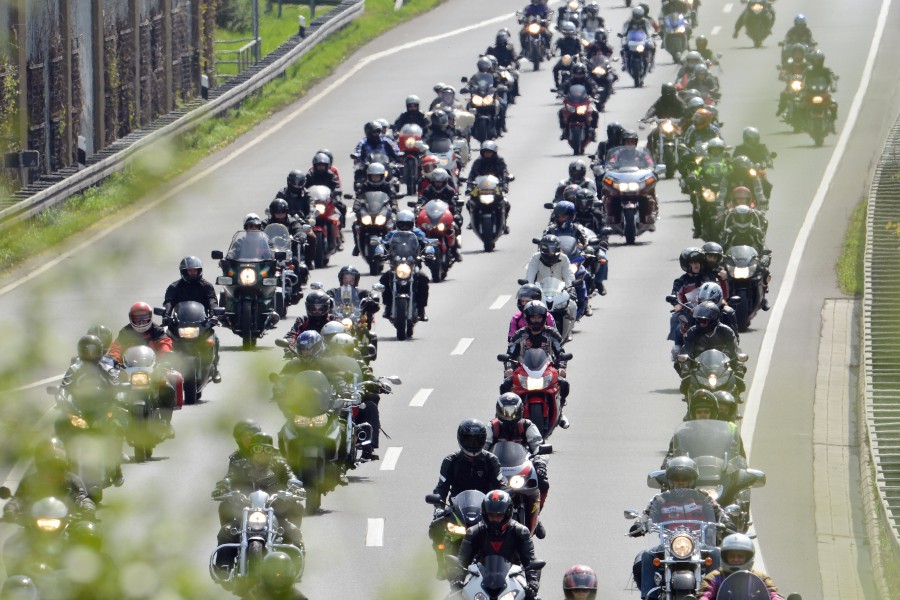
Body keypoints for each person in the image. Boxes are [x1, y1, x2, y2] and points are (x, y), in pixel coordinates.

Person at [629, 457, 732, 599]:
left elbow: (719, 512)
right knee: (647, 555)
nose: (680, 482)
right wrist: (640, 524)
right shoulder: (659, 500)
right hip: (667, 545)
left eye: (685, 478)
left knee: (716, 553)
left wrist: (726, 522)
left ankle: (717, 594)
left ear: (692, 481)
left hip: (698, 543)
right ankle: (649, 595)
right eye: (676, 479)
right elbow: (647, 515)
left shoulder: (704, 498)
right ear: (670, 481)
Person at [212, 432, 306, 572]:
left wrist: (294, 486)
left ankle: (295, 567)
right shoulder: (239, 466)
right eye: (258, 449)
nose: (262, 453)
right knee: (226, 532)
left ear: (271, 451)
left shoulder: (279, 465)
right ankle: (224, 567)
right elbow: (230, 477)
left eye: (266, 449)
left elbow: (290, 476)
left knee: (293, 532)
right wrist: (224, 485)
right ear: (251, 451)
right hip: (245, 511)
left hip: (274, 512)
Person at [428, 419, 505, 575]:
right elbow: (441, 488)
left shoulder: (491, 460)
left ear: (483, 440)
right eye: (468, 438)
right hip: (457, 510)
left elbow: (501, 484)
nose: (472, 442)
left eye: (476, 439)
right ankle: (441, 561)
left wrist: (505, 497)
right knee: (435, 528)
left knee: (509, 529)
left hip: (486, 510)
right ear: (460, 439)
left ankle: (511, 564)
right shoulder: (451, 461)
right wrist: (438, 506)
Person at [484, 393, 550, 538]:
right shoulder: (491, 427)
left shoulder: (527, 426)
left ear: (520, 411)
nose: (509, 416)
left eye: (513, 411)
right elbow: (483, 447)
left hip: (521, 468)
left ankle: (536, 514)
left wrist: (540, 463)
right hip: (497, 469)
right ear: (499, 411)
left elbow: (539, 446)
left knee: (543, 482)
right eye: (506, 411)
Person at [455, 490, 541, 600]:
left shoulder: (521, 532)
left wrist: (533, 582)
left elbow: (530, 561)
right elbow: (462, 560)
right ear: (485, 514)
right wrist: (457, 579)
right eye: (491, 515)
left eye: (498, 516)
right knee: (451, 596)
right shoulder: (474, 532)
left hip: (514, 580)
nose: (495, 520)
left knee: (535, 598)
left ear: (508, 513)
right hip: (479, 579)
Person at [107, 301, 179, 431]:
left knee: (168, 390)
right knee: (113, 389)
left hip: (153, 368)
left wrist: (166, 356)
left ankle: (166, 424)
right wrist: (113, 359)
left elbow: (164, 343)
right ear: (131, 318)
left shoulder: (156, 330)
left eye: (144, 318)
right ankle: (116, 421)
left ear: (150, 317)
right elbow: (117, 347)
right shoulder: (126, 332)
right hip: (129, 370)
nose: (141, 322)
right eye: (137, 319)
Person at [503, 301, 571, 427]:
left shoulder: (552, 334)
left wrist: (562, 367)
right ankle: (504, 416)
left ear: (544, 318)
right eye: (533, 318)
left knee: (564, 384)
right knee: (505, 385)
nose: (536, 320)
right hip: (523, 370)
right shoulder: (519, 335)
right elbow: (509, 354)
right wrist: (508, 369)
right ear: (527, 319)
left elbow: (561, 352)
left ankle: (560, 411)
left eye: (539, 317)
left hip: (547, 370)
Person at [163, 256, 223, 382]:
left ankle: (214, 368)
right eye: (189, 270)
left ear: (199, 271)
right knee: (166, 339)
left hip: (201, 323)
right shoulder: (174, 287)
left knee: (214, 339)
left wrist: (214, 314)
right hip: (180, 323)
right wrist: (166, 314)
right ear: (184, 271)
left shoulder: (206, 286)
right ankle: (165, 369)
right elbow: (168, 302)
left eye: (195, 270)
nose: (192, 273)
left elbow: (212, 301)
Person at [3, 440, 97, 520]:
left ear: (64, 466)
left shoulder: (72, 481)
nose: (53, 471)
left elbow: (82, 498)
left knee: (87, 531)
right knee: (12, 541)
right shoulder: (29, 482)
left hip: (67, 523)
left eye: (58, 466)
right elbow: (19, 499)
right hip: (34, 524)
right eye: (49, 466)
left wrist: (88, 509)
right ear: (40, 466)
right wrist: (10, 509)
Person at [378, 210, 431, 322]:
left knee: (423, 279)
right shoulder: (392, 234)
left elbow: (426, 242)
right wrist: (379, 252)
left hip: (412, 266)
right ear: (397, 223)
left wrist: (429, 252)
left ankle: (421, 309)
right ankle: (388, 307)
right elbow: (383, 242)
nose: (404, 227)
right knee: (385, 278)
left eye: (407, 224)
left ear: (412, 224)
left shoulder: (417, 233)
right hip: (396, 266)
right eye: (402, 224)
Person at [698, 534, 786, 600]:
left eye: (740, 556)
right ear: (725, 557)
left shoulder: (761, 577)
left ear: (748, 557)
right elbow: (705, 594)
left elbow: (773, 593)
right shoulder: (714, 577)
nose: (735, 559)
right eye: (732, 556)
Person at [544, 201, 595, 312]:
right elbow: (542, 243)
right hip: (554, 260)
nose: (561, 219)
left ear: (571, 216)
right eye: (559, 216)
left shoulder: (577, 229)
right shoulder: (550, 229)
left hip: (573, 259)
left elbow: (585, 241)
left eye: (564, 216)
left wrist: (587, 248)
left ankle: (585, 303)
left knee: (585, 276)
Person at [466, 141, 512, 233]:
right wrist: (469, 187)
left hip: (495, 188)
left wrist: (505, 185)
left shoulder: (499, 161)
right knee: (469, 203)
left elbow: (504, 173)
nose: (487, 154)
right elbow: (472, 174)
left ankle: (504, 224)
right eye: (485, 152)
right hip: (480, 188)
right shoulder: (478, 161)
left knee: (506, 204)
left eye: (489, 152)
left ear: (494, 153)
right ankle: (472, 221)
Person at [264, 198, 312, 284]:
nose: (280, 215)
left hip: (287, 252)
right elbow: (259, 230)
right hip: (269, 253)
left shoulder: (292, 222)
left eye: (282, 212)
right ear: (272, 213)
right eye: (278, 213)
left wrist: (300, 236)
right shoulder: (267, 222)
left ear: (286, 212)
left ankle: (297, 289)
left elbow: (299, 230)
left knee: (295, 262)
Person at [733, 127, 774, 198]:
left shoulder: (762, 147)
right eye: (750, 139)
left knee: (765, 181)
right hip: (743, 170)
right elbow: (734, 159)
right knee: (732, 180)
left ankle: (765, 198)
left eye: (754, 139)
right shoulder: (739, 148)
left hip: (758, 169)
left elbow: (767, 156)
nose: (753, 141)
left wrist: (768, 162)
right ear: (745, 138)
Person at [803, 49, 839, 132]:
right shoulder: (808, 70)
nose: (816, 63)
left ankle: (832, 123)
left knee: (833, 104)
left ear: (822, 61)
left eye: (818, 61)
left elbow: (832, 77)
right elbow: (802, 79)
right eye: (814, 61)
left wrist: (833, 85)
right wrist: (801, 86)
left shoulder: (826, 70)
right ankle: (802, 122)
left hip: (823, 92)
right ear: (811, 61)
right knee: (801, 105)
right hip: (810, 93)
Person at [642, 82, 686, 150]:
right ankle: (649, 156)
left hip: (676, 125)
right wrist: (646, 117)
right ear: (663, 92)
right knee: (651, 137)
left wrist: (684, 117)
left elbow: (684, 109)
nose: (669, 95)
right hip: (662, 125)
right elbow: (653, 108)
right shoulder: (660, 100)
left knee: (684, 137)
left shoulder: (678, 101)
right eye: (668, 93)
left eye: (671, 93)